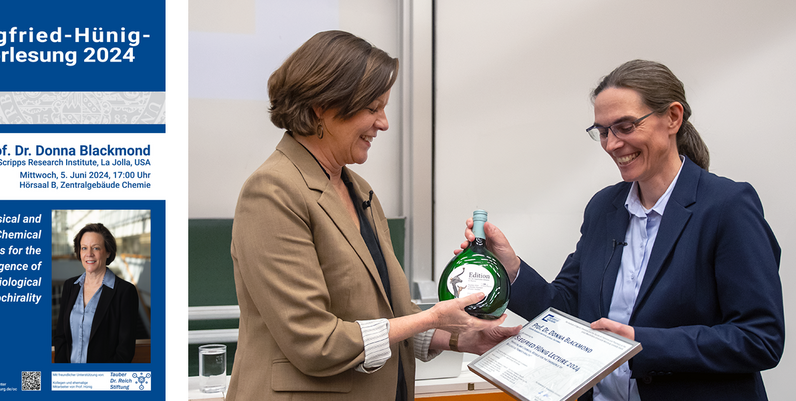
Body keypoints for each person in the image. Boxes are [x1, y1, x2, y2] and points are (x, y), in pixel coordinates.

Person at [460, 60, 784, 400]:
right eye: (603, 132)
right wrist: (510, 268)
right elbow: (565, 311)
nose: (612, 144)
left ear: (673, 118)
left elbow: (759, 339)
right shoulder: (604, 207)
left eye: (625, 127)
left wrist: (642, 343)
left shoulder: (727, 206)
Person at [228, 30, 520, 401]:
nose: (383, 123)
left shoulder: (358, 189)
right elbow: (315, 342)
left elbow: (389, 315)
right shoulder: (272, 190)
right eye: (372, 108)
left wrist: (461, 339)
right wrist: (433, 317)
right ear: (322, 106)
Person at [53, 223, 139, 363]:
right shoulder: (70, 286)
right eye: (84, 248)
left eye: (96, 248)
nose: (89, 254)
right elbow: (61, 336)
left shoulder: (125, 292)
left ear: (108, 252)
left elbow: (125, 350)